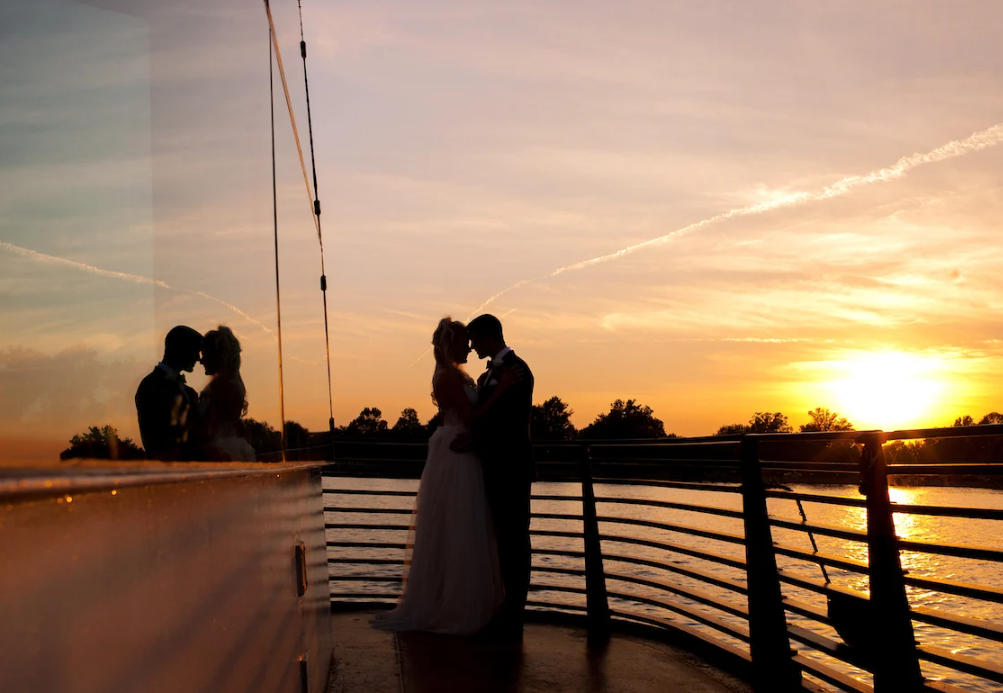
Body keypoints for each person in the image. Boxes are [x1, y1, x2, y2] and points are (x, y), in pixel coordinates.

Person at [372, 317, 520, 635]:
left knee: (464, 528)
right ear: (451, 344)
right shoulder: (449, 378)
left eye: (471, 341)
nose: (469, 347)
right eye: (464, 342)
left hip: (463, 450)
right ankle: (456, 606)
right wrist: (502, 389)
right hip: (457, 454)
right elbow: (473, 417)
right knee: (460, 527)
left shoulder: (456, 375)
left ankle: (466, 601)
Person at [463, 313, 535, 638]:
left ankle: (514, 614)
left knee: (515, 539)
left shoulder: (517, 370)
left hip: (512, 466)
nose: (472, 346)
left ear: (490, 336)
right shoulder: (490, 373)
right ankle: (507, 609)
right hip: (496, 466)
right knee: (503, 539)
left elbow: (506, 421)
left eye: (475, 340)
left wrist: (474, 436)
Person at [135, 326, 203, 461]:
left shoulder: (186, 390)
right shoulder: (151, 386)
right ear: (181, 349)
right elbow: (156, 439)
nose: (198, 359)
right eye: (195, 351)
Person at [196, 325, 256, 462]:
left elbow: (208, 430)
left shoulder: (221, 387)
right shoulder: (230, 385)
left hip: (218, 454)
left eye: (204, 355)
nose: (201, 361)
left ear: (216, 358)